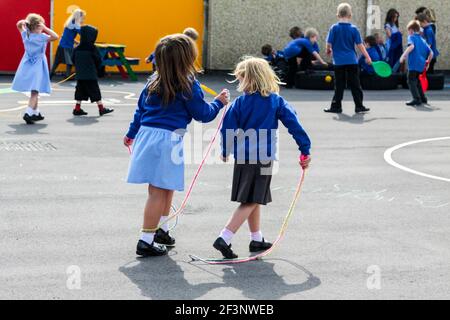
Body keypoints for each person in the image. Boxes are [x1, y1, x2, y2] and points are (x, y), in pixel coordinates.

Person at [124, 34, 230, 257]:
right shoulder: (189, 84)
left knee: (166, 186)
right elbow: (203, 114)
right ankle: (145, 239)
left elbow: (140, 111)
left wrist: (131, 134)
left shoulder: (153, 81)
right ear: (188, 58)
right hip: (168, 140)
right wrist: (219, 103)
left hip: (147, 135)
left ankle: (160, 230)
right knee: (158, 191)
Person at [213, 57, 311, 259]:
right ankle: (225, 236)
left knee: (253, 197)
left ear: (245, 79)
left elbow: (227, 127)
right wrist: (305, 148)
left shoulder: (239, 103)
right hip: (263, 158)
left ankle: (256, 238)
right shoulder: (275, 101)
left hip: (243, 157)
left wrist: (225, 150)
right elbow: (294, 124)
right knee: (251, 200)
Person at [324, 3, 372, 114]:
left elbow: (328, 43)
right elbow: (360, 45)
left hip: (339, 62)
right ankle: (359, 106)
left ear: (337, 15)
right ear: (350, 15)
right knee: (355, 84)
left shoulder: (334, 28)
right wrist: (368, 57)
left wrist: (328, 50)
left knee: (339, 85)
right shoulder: (354, 29)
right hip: (352, 61)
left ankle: (336, 107)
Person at [12, 14, 59, 125]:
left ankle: (36, 112)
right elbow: (56, 36)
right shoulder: (42, 37)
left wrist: (24, 22)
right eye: (41, 25)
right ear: (38, 26)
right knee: (35, 91)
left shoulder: (26, 35)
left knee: (35, 89)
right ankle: (28, 113)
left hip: (27, 64)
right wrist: (45, 28)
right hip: (38, 65)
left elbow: (18, 24)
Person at [72, 25, 114, 116]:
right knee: (95, 91)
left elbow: (73, 60)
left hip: (80, 74)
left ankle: (77, 108)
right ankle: (101, 108)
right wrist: (98, 69)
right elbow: (98, 60)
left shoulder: (77, 48)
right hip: (90, 74)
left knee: (80, 91)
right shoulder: (92, 48)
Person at [399, 20, 433, 106]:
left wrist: (403, 56)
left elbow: (411, 46)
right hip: (421, 65)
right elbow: (431, 53)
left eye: (408, 31)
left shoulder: (412, 37)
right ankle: (423, 98)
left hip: (413, 64)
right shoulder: (422, 40)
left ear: (411, 30)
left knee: (410, 80)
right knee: (417, 81)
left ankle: (416, 99)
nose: (408, 33)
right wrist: (428, 63)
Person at [50, 9, 85, 80]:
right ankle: (67, 75)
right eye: (82, 17)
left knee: (57, 62)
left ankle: (50, 75)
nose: (83, 19)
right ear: (79, 17)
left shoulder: (69, 23)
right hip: (67, 46)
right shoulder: (75, 25)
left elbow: (68, 36)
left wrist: (76, 42)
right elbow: (83, 34)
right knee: (69, 62)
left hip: (62, 44)